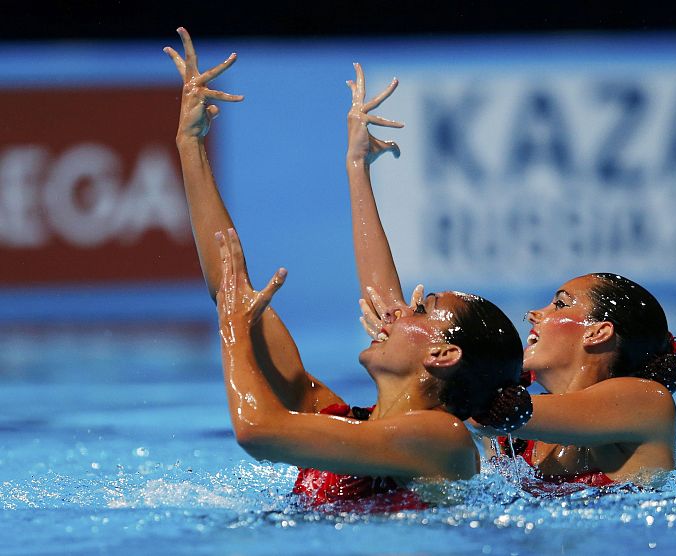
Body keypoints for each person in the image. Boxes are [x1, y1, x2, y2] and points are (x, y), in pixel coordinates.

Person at [164, 28, 530, 511]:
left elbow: (257, 430)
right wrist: (190, 147)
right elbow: (229, 289)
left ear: (442, 355)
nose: (394, 310)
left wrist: (232, 330)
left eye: (420, 308)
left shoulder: (443, 439)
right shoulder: (339, 419)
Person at [347, 66, 676, 488]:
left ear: (598, 332)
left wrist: (427, 357)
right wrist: (357, 166)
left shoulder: (646, 404)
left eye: (560, 304)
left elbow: (503, 409)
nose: (534, 314)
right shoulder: (514, 431)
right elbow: (387, 308)